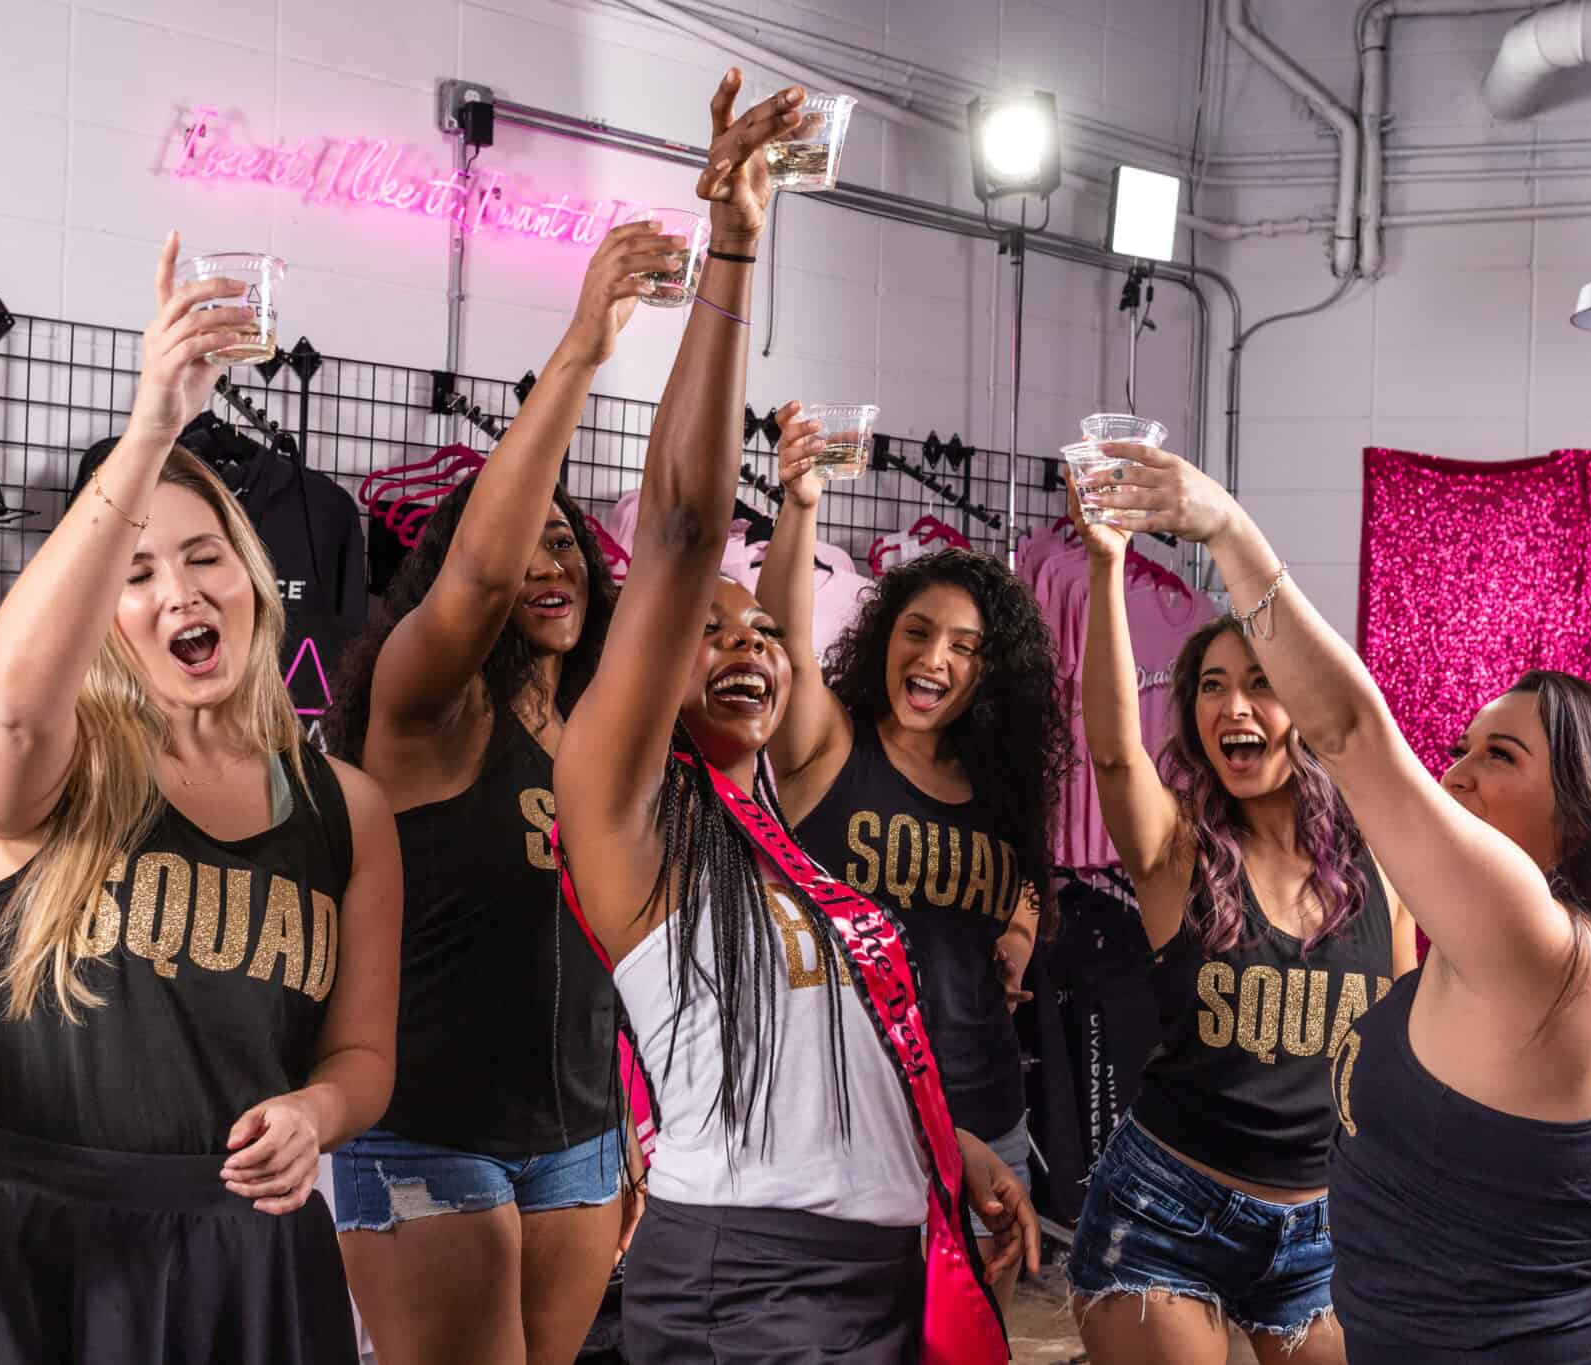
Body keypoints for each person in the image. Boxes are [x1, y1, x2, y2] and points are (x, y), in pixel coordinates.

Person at [0, 230, 403, 1365]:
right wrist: (151, 430)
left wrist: (316, 1117)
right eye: (134, 573)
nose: (176, 590)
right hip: (4, 1252)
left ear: (250, 576)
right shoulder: (56, 766)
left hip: (236, 1265)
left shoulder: (348, 809)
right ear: (97, 615)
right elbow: (10, 706)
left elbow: (361, 1056)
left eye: (203, 558)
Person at [553, 70, 1036, 1365]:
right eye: (705, 630)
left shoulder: (776, 838)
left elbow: (827, 1048)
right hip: (754, 1278)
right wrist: (734, 249)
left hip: (875, 1263)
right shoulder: (627, 808)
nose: (748, 643)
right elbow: (681, 531)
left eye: (764, 629)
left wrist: (952, 1146)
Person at [1083, 445, 1591, 1364]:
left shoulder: (1538, 940)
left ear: (1589, 813)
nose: (1454, 772)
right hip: (1192, 1217)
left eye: (1500, 756)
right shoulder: (1518, 947)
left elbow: (1351, 731)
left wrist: (1225, 526)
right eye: (1462, 746)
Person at [318, 221, 676, 1365]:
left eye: (567, 545)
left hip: (577, 1139)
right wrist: (580, 349)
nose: (548, 563)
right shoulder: (425, 714)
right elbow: (478, 570)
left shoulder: (604, 737)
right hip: (424, 1137)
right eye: (527, 547)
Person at [1060, 477, 1416, 1365]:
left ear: (1306, 709)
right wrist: (1107, 566)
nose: (1233, 707)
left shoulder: (1384, 864)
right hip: (1163, 1214)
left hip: (1320, 1231)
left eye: (1261, 684)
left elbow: (1407, 1055)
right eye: (1212, 687)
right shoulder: (1177, 851)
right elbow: (1110, 748)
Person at [758, 410, 1069, 1310]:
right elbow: (781, 636)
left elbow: (1023, 896)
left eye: (967, 647)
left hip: (987, 1115)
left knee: (961, 1338)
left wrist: (1014, 938)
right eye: (918, 631)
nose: (936, 658)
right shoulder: (830, 750)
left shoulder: (1002, 789)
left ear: (990, 672)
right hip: (849, 1115)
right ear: (883, 634)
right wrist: (800, 505)